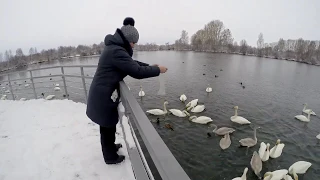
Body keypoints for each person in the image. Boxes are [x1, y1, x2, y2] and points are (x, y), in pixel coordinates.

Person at [86, 17, 168, 165]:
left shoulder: (114, 48)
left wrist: (150, 66)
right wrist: (157, 70)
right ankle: (110, 157)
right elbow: (136, 71)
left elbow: (131, 64)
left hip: (103, 94)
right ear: (127, 39)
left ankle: (111, 147)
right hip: (103, 96)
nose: (134, 45)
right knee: (106, 127)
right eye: (133, 42)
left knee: (108, 126)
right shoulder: (116, 51)